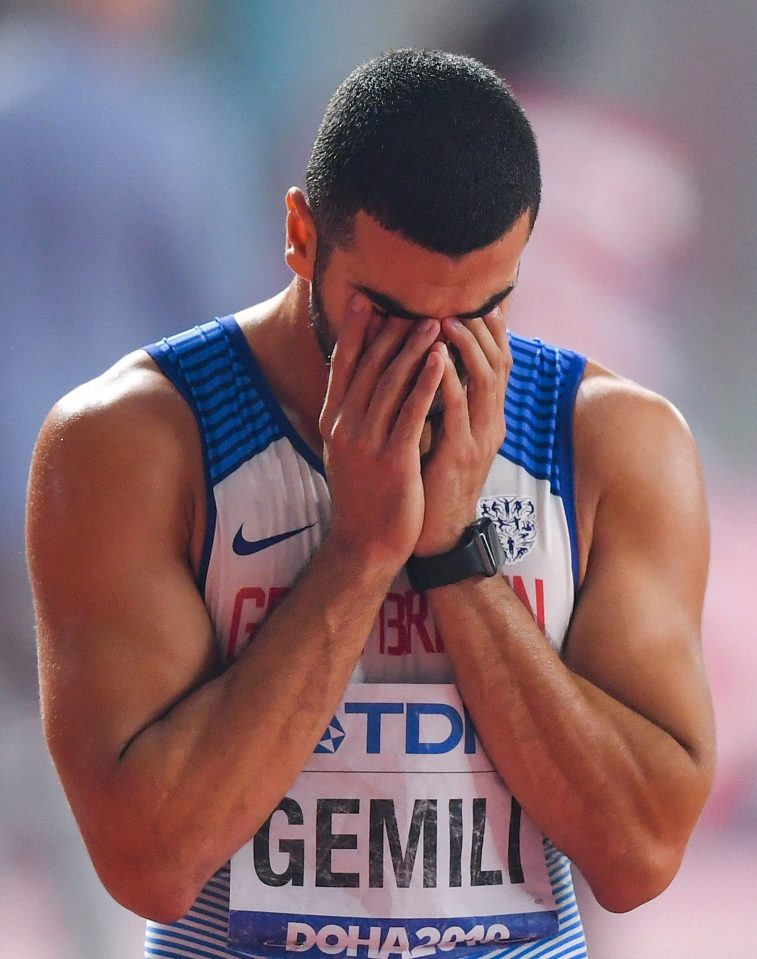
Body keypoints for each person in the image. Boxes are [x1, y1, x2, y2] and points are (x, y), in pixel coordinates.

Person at [26, 50, 715, 959]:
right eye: (385, 313)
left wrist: (455, 555)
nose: (432, 358)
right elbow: (153, 861)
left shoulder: (611, 445)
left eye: (481, 312)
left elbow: (638, 854)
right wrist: (357, 551)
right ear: (302, 235)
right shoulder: (134, 441)